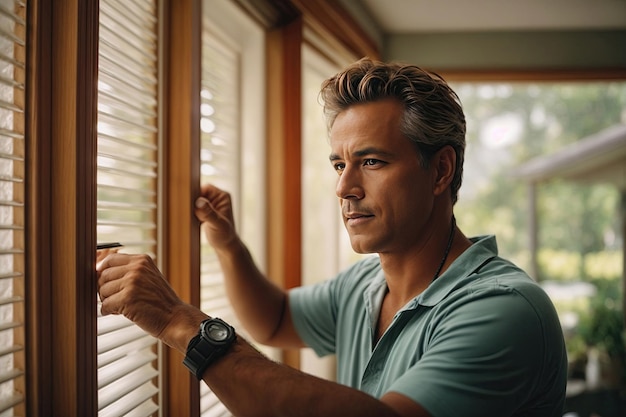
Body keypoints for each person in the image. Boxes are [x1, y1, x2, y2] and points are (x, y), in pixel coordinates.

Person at [97, 58, 568, 416]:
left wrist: (179, 321)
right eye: (340, 164)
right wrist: (227, 243)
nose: (344, 188)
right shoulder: (364, 284)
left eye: (372, 162)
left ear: (440, 169)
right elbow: (275, 319)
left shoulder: (504, 310)